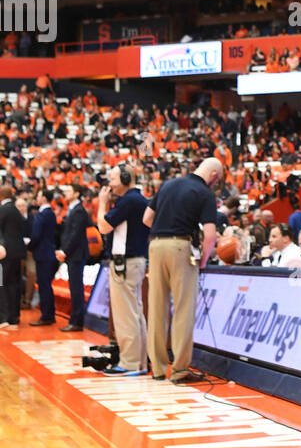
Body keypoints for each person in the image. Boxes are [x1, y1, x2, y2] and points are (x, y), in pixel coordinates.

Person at [143, 157, 222, 384]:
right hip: (180, 246)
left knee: (156, 309)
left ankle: (157, 369)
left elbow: (147, 218)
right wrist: (204, 260)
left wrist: (165, 226)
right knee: (183, 310)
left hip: (156, 245)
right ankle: (179, 370)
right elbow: (209, 236)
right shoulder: (204, 193)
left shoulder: (168, 184)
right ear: (214, 176)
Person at [96, 165, 150, 375]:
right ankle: (140, 362)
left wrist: (102, 204)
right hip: (134, 261)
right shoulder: (137, 199)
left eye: (113, 179)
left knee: (125, 315)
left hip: (124, 263)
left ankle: (129, 363)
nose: (109, 184)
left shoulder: (129, 201)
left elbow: (104, 226)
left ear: (126, 179)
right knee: (135, 313)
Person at [57, 185, 89, 332]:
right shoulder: (73, 210)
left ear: (76, 194)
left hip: (76, 255)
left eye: (69, 191)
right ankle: (75, 319)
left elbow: (75, 235)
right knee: (74, 287)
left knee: (76, 288)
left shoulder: (79, 211)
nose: (66, 193)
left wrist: (65, 251)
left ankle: (77, 321)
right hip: (73, 255)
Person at [29, 188, 59, 325]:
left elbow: (36, 235)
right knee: (46, 285)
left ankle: (47, 315)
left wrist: (29, 247)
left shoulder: (43, 214)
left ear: (44, 199)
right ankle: (48, 314)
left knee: (44, 285)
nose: (37, 197)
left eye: (39, 195)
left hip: (43, 254)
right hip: (48, 252)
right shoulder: (50, 213)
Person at [0, 184, 27, 329]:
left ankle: (4, 317)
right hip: (18, 252)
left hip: (5, 253)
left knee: (3, 284)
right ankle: (14, 316)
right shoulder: (17, 210)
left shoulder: (2, 209)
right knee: (15, 284)